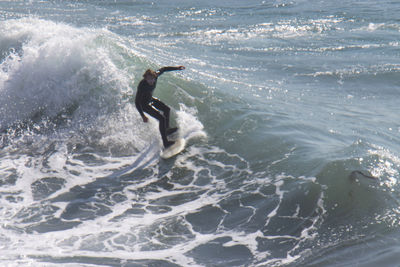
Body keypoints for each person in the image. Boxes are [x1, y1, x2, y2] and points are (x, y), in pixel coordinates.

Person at [135, 66, 185, 148]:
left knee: (167, 109)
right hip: (143, 105)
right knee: (162, 118)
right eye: (149, 79)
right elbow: (137, 102)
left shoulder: (156, 75)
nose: (152, 81)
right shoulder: (142, 85)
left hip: (150, 99)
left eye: (153, 79)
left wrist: (177, 68)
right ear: (145, 78)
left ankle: (167, 130)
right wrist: (142, 115)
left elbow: (164, 69)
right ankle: (165, 143)